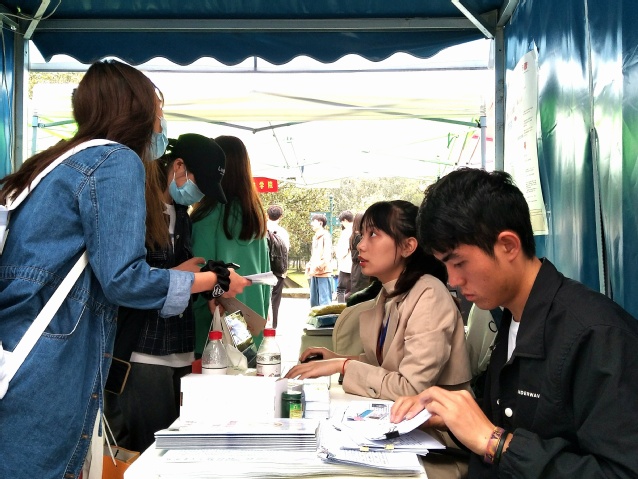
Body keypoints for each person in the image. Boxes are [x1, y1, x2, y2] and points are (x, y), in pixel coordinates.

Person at [0, 60, 249, 479]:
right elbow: (123, 279)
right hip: (52, 358)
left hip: (19, 348)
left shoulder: (54, 161)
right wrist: (213, 280)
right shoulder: (116, 161)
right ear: (137, 111)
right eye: (159, 110)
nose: (161, 124)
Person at [390, 168, 638, 478]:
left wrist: (495, 442)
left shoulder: (597, 335)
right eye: (445, 266)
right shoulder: (511, 316)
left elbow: (622, 471)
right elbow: (514, 418)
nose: (453, 280)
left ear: (508, 245)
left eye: (459, 263)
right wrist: (452, 418)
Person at [104, 133, 228, 453]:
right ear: (178, 166)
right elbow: (129, 280)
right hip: (142, 352)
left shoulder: (182, 214)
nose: (198, 194)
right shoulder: (137, 208)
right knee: (150, 451)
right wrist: (187, 277)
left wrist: (209, 283)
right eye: (199, 184)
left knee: (175, 448)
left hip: (180, 350)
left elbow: (180, 274)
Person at [286, 200, 471, 400]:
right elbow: (386, 366)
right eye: (361, 235)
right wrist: (336, 359)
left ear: (408, 246)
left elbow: (410, 389)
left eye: (373, 234)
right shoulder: (390, 294)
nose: (360, 245)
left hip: (435, 419)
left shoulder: (429, 295)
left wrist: (343, 365)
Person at [191, 135, 270, 351]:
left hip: (211, 335)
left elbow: (194, 280)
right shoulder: (256, 219)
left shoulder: (204, 218)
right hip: (251, 330)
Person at [266, 204, 290, 328]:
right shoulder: (283, 232)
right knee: (275, 298)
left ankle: (263, 322)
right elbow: (286, 250)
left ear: (267, 215)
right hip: (278, 270)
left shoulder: (261, 229)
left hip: (264, 270)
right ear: (281, 216)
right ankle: (273, 325)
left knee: (263, 296)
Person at [306, 213, 333, 307]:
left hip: (323, 272)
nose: (312, 224)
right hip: (314, 272)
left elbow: (327, 254)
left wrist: (320, 265)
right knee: (314, 301)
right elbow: (314, 254)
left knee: (324, 301)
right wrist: (310, 265)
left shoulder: (326, 236)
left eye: (314, 221)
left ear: (320, 223)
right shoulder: (315, 237)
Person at [349, 211, 371, 295]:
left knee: (356, 290)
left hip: (356, 268)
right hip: (360, 268)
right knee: (361, 292)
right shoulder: (359, 237)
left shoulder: (353, 236)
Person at [335, 210, 354, 303]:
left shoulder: (346, 232)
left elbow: (343, 250)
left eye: (342, 222)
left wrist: (337, 255)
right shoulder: (358, 230)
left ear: (345, 220)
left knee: (341, 289)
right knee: (352, 290)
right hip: (355, 266)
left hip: (345, 265)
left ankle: (341, 308)